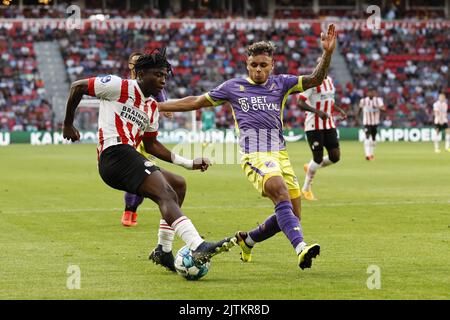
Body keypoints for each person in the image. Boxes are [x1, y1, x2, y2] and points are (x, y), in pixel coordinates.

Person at [159, 24, 337, 269]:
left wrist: (326, 53)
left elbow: (316, 79)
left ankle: (248, 240)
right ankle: (301, 248)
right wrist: (157, 106)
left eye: (264, 65)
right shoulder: (233, 87)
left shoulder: (282, 84)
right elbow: (196, 101)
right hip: (254, 153)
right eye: (254, 65)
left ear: (272, 65)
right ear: (247, 65)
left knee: (291, 216)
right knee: (278, 189)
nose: (258, 69)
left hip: (280, 154)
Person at [62, 52, 236, 268]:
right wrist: (68, 124)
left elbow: (152, 145)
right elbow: (77, 87)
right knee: (165, 193)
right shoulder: (118, 85)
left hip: (128, 156)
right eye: (158, 74)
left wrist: (189, 163)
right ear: (141, 74)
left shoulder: (152, 108)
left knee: (178, 184)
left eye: (165, 75)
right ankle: (197, 244)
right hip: (114, 154)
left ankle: (163, 250)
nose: (163, 80)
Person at [297, 62, 347, 201]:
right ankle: (306, 189)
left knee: (335, 156)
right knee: (318, 158)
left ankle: (311, 167)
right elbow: (300, 102)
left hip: (329, 123)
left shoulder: (330, 81)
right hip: (314, 125)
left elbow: (329, 101)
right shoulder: (311, 82)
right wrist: (317, 111)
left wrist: (339, 110)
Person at [357, 89, 385, 160]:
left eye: (372, 92)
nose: (371, 94)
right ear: (367, 93)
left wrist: (378, 107)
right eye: (370, 92)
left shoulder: (378, 100)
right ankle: (367, 155)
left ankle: (371, 154)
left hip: (375, 123)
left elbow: (384, 109)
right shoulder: (363, 101)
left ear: (375, 93)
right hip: (367, 122)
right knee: (367, 136)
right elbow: (359, 110)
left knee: (373, 139)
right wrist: (357, 118)